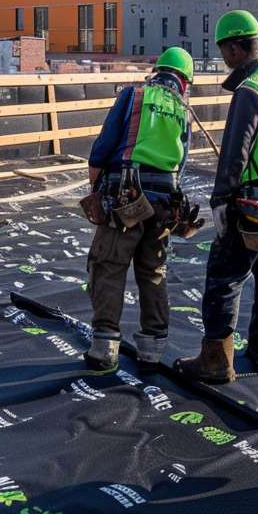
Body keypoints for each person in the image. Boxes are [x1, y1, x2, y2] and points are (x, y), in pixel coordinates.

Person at [175, 10, 258, 384]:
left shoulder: (250, 93)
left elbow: (235, 153)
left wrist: (221, 202)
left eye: (223, 51)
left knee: (224, 275)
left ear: (235, 48)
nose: (223, 59)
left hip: (257, 202)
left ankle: (216, 361)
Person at [83, 47, 197, 372]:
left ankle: (104, 350)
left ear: (156, 71)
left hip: (126, 196)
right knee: (153, 272)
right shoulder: (183, 109)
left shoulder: (134, 96)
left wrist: (94, 189)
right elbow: (181, 163)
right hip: (164, 202)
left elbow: (102, 148)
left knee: (109, 266)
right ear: (184, 82)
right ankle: (152, 353)